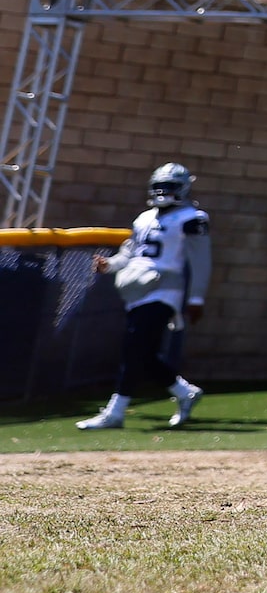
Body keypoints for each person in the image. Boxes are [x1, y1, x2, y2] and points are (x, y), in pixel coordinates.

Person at [75, 162, 211, 431]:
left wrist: (196, 298)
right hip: (138, 289)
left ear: (182, 189)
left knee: (133, 348)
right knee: (144, 354)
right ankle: (185, 392)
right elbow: (130, 253)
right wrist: (109, 265)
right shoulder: (144, 218)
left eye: (170, 187)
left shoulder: (193, 218)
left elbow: (201, 260)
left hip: (164, 290)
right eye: (160, 187)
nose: (164, 192)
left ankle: (116, 412)